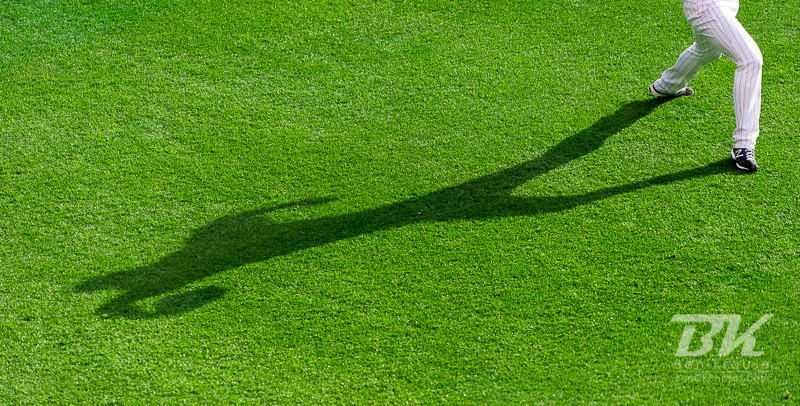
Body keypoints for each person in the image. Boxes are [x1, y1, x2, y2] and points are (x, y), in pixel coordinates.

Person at [649, 0, 763, 172]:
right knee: (750, 60)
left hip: (724, 4)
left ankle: (667, 85)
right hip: (707, 6)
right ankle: (744, 144)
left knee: (707, 50)